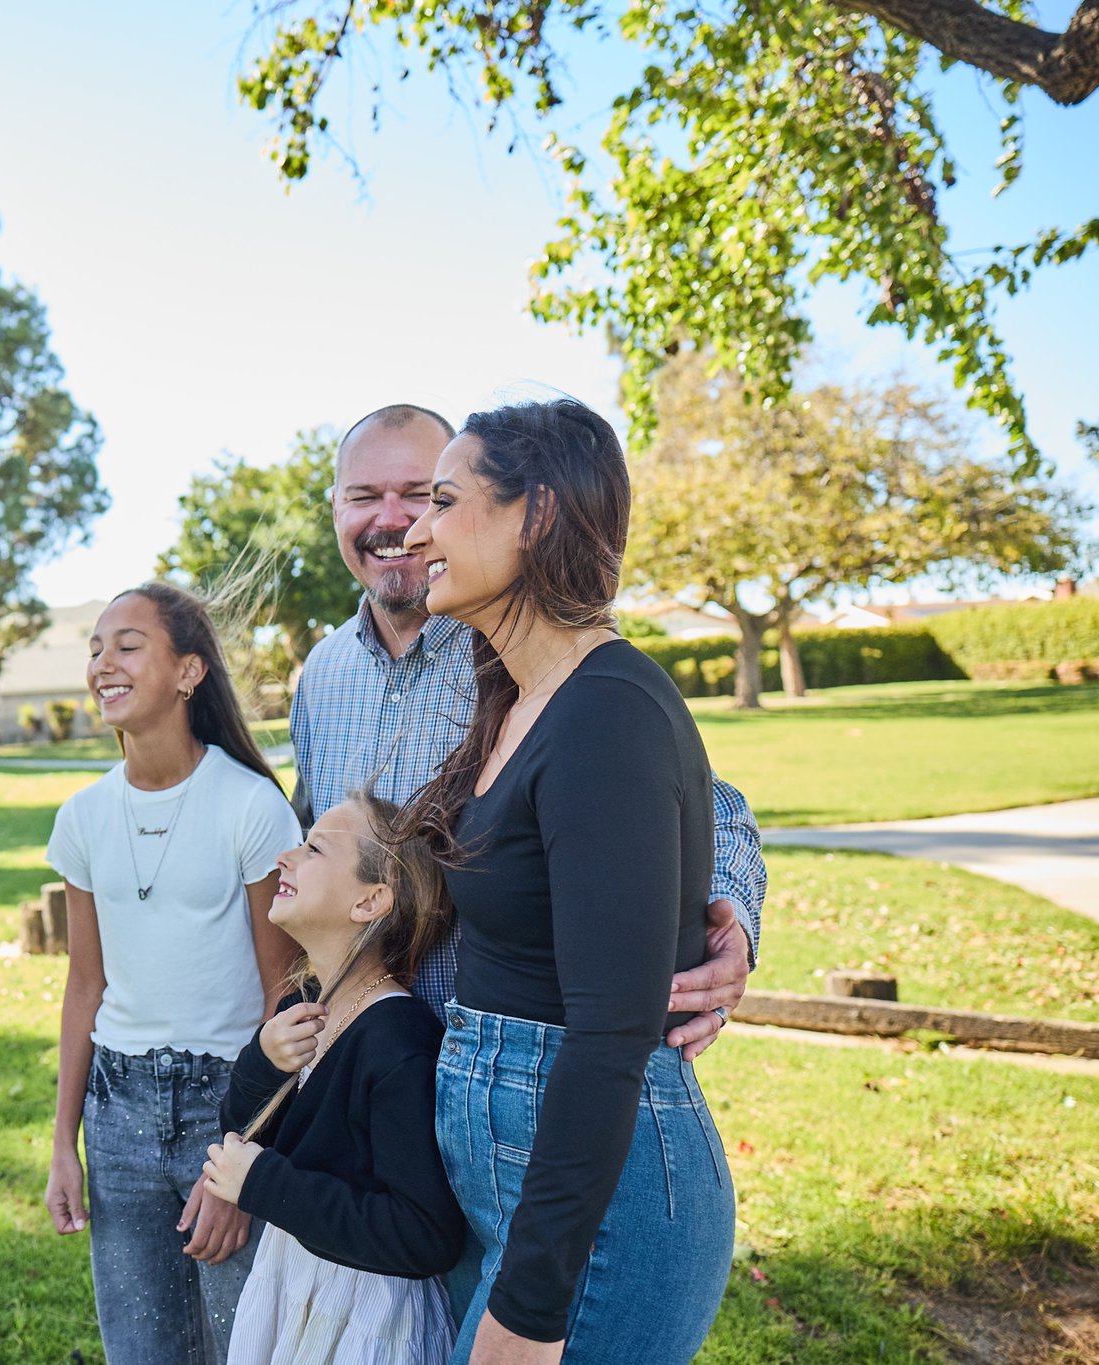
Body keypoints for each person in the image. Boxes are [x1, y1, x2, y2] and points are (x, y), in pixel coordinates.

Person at [403, 398, 736, 1362]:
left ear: (535, 514)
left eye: (445, 499)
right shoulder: (522, 695)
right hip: (519, 1187)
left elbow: (610, 1033)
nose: (417, 529)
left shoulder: (608, 711)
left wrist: (532, 1306)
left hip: (601, 1214)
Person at [289, 403, 765, 1057]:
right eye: (364, 496)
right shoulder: (321, 674)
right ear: (335, 506)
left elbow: (713, 809)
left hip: (511, 1071)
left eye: (426, 495)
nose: (397, 520)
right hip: (363, 1084)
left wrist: (728, 928)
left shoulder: (523, 644)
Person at [42, 581, 302, 1365]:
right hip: (116, 1111)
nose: (103, 662)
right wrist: (64, 1140)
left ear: (189, 673)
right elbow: (85, 983)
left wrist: (238, 1158)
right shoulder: (82, 817)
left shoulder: (250, 806)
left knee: (239, 1344)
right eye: (94, 647)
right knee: (141, 1348)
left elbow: (281, 994)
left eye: (127, 644)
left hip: (225, 1101)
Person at [206, 793, 465, 1365]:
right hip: (295, 1280)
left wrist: (268, 1186)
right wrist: (263, 1061)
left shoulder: (397, 1042)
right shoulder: (303, 1005)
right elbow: (240, 1136)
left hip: (365, 1314)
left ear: (370, 900)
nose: (284, 857)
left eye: (314, 848)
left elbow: (425, 1234)